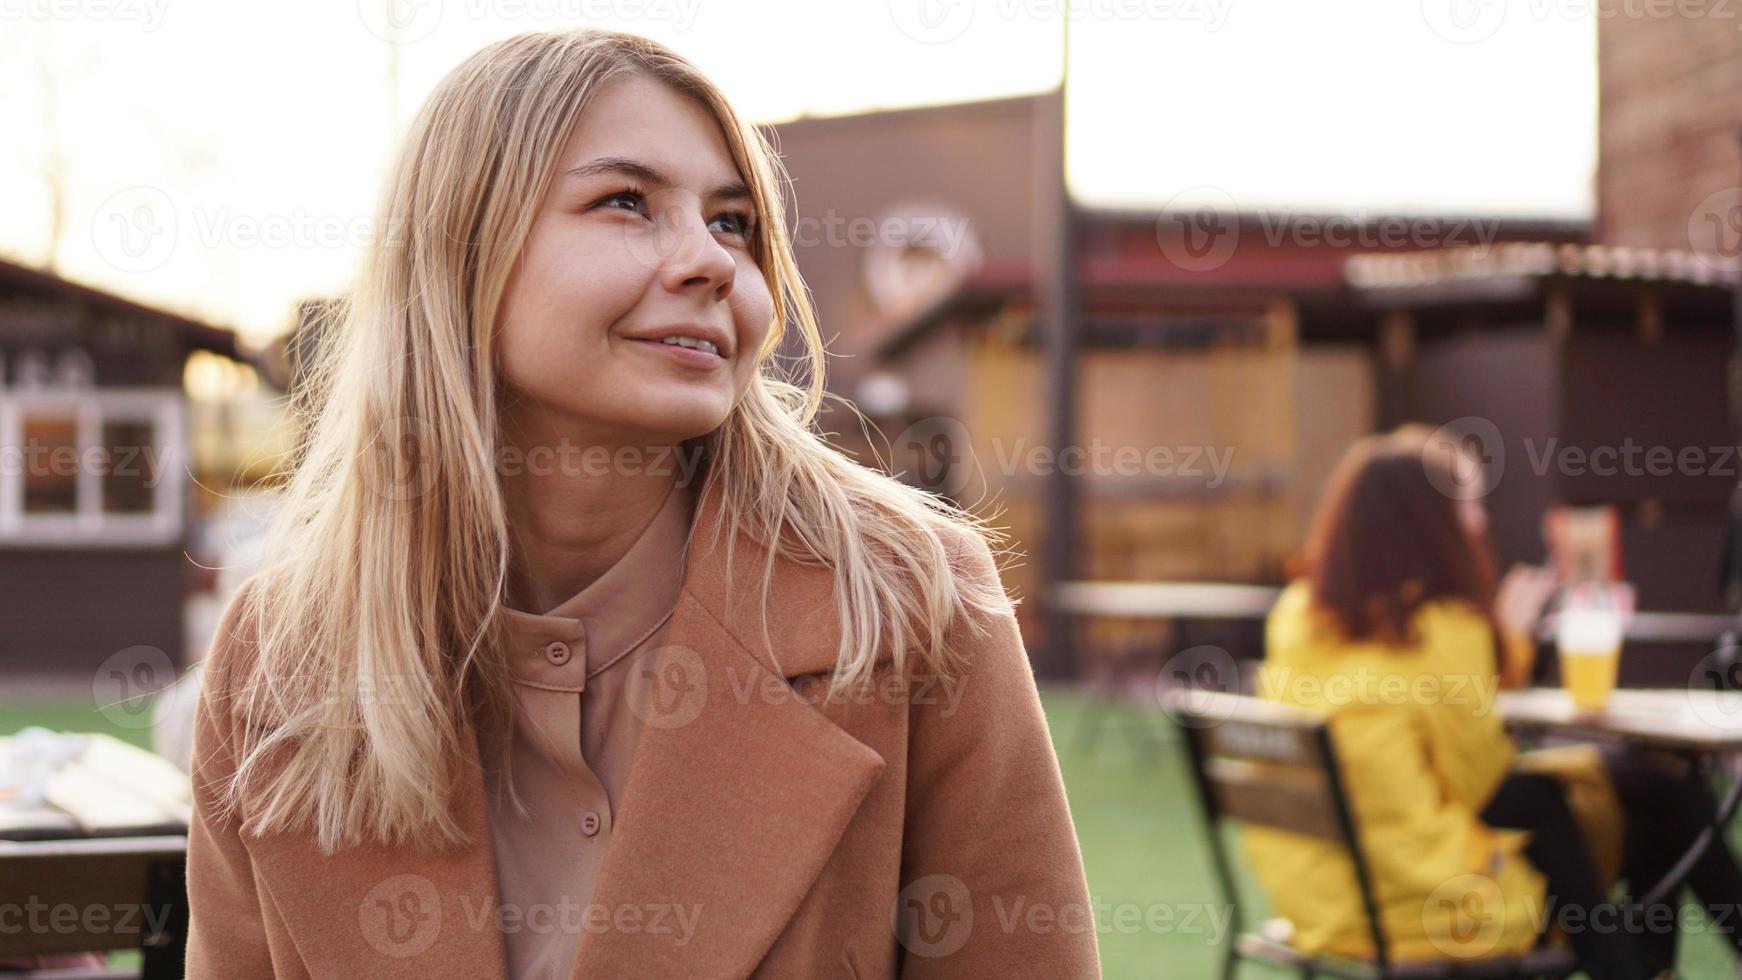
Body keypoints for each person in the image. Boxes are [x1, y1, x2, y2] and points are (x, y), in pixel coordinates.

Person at [182, 30, 1099, 979]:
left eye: (734, 222)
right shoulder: (276, 656)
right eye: (626, 202)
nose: (711, 261)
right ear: (459, 257)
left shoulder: (911, 603)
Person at [1241, 425, 1742, 980]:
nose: (1480, 523)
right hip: (1427, 900)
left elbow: (1424, 720)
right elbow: (1484, 778)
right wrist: (1499, 638)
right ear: (1426, 524)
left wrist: (1500, 641)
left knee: (1642, 786)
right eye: (1469, 506)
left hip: (1325, 893)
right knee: (1646, 800)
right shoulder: (1440, 628)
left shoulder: (1302, 615)